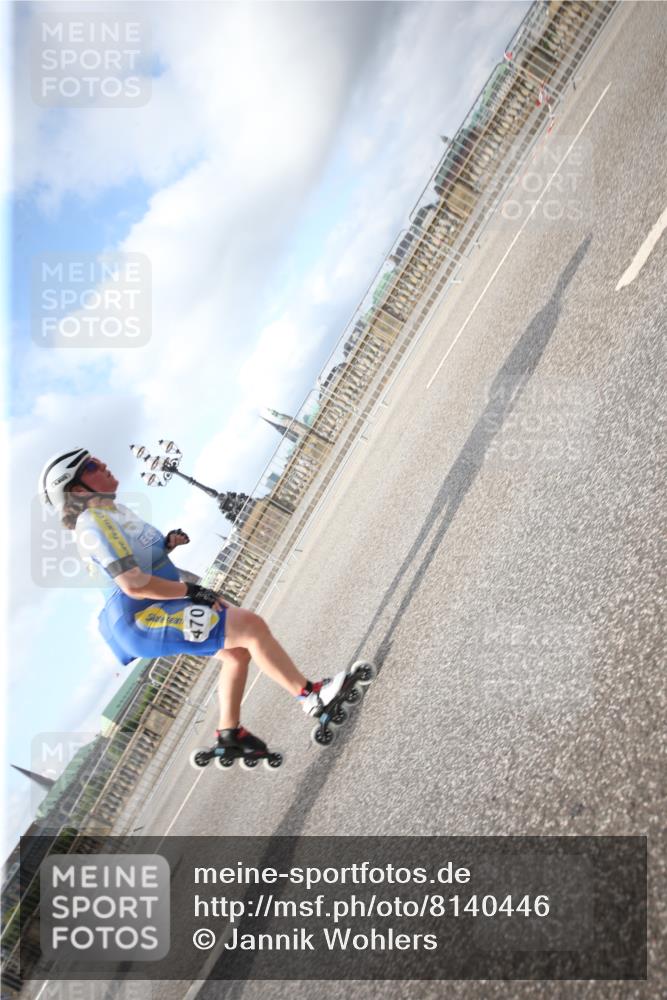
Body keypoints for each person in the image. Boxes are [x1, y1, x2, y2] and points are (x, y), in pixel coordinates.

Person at [39, 447, 348, 756]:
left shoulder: (114, 512)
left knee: (237, 652)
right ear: (78, 491)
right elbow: (132, 584)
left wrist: (166, 545)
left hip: (156, 606)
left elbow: (142, 562)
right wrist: (191, 591)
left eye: (96, 458)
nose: (103, 463)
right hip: (141, 619)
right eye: (91, 466)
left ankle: (229, 733)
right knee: (250, 628)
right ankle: (312, 697)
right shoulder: (92, 524)